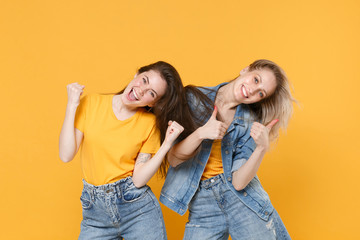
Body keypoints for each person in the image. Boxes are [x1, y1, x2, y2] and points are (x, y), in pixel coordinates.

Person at [160, 59, 295, 239]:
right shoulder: (193, 98)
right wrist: (201, 133)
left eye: (261, 93)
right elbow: (173, 158)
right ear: (245, 70)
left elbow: (239, 183)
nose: (253, 90)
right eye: (256, 80)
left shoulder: (250, 122)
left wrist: (261, 148)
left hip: (242, 200)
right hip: (202, 204)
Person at [59, 61, 189, 240]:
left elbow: (138, 179)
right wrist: (72, 105)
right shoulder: (91, 103)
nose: (141, 90)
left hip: (137, 210)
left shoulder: (149, 124)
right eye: (144, 80)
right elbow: (66, 155)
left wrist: (166, 144)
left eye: (151, 93)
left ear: (153, 103)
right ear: (136, 75)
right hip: (95, 212)